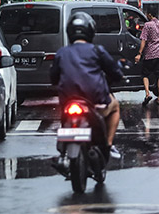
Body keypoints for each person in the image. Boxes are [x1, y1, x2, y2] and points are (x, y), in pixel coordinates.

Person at [50, 12, 124, 159]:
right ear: (90, 31)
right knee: (115, 106)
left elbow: (53, 78)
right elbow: (115, 72)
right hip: (94, 102)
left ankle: (63, 152)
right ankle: (108, 146)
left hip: (68, 102)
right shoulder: (97, 50)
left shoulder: (62, 52)